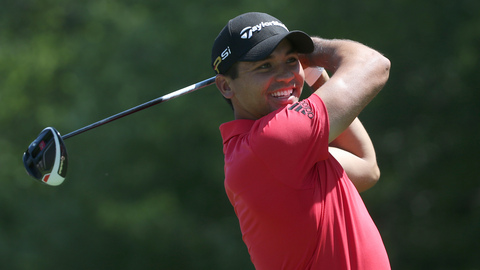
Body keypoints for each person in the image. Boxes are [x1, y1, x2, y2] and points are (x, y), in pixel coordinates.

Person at [211, 12, 391, 270]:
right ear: (226, 86)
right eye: (265, 66)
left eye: (291, 61)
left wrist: (314, 74)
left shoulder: (272, 152)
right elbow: (375, 64)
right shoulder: (272, 142)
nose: (286, 76)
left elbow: (366, 167)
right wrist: (314, 50)